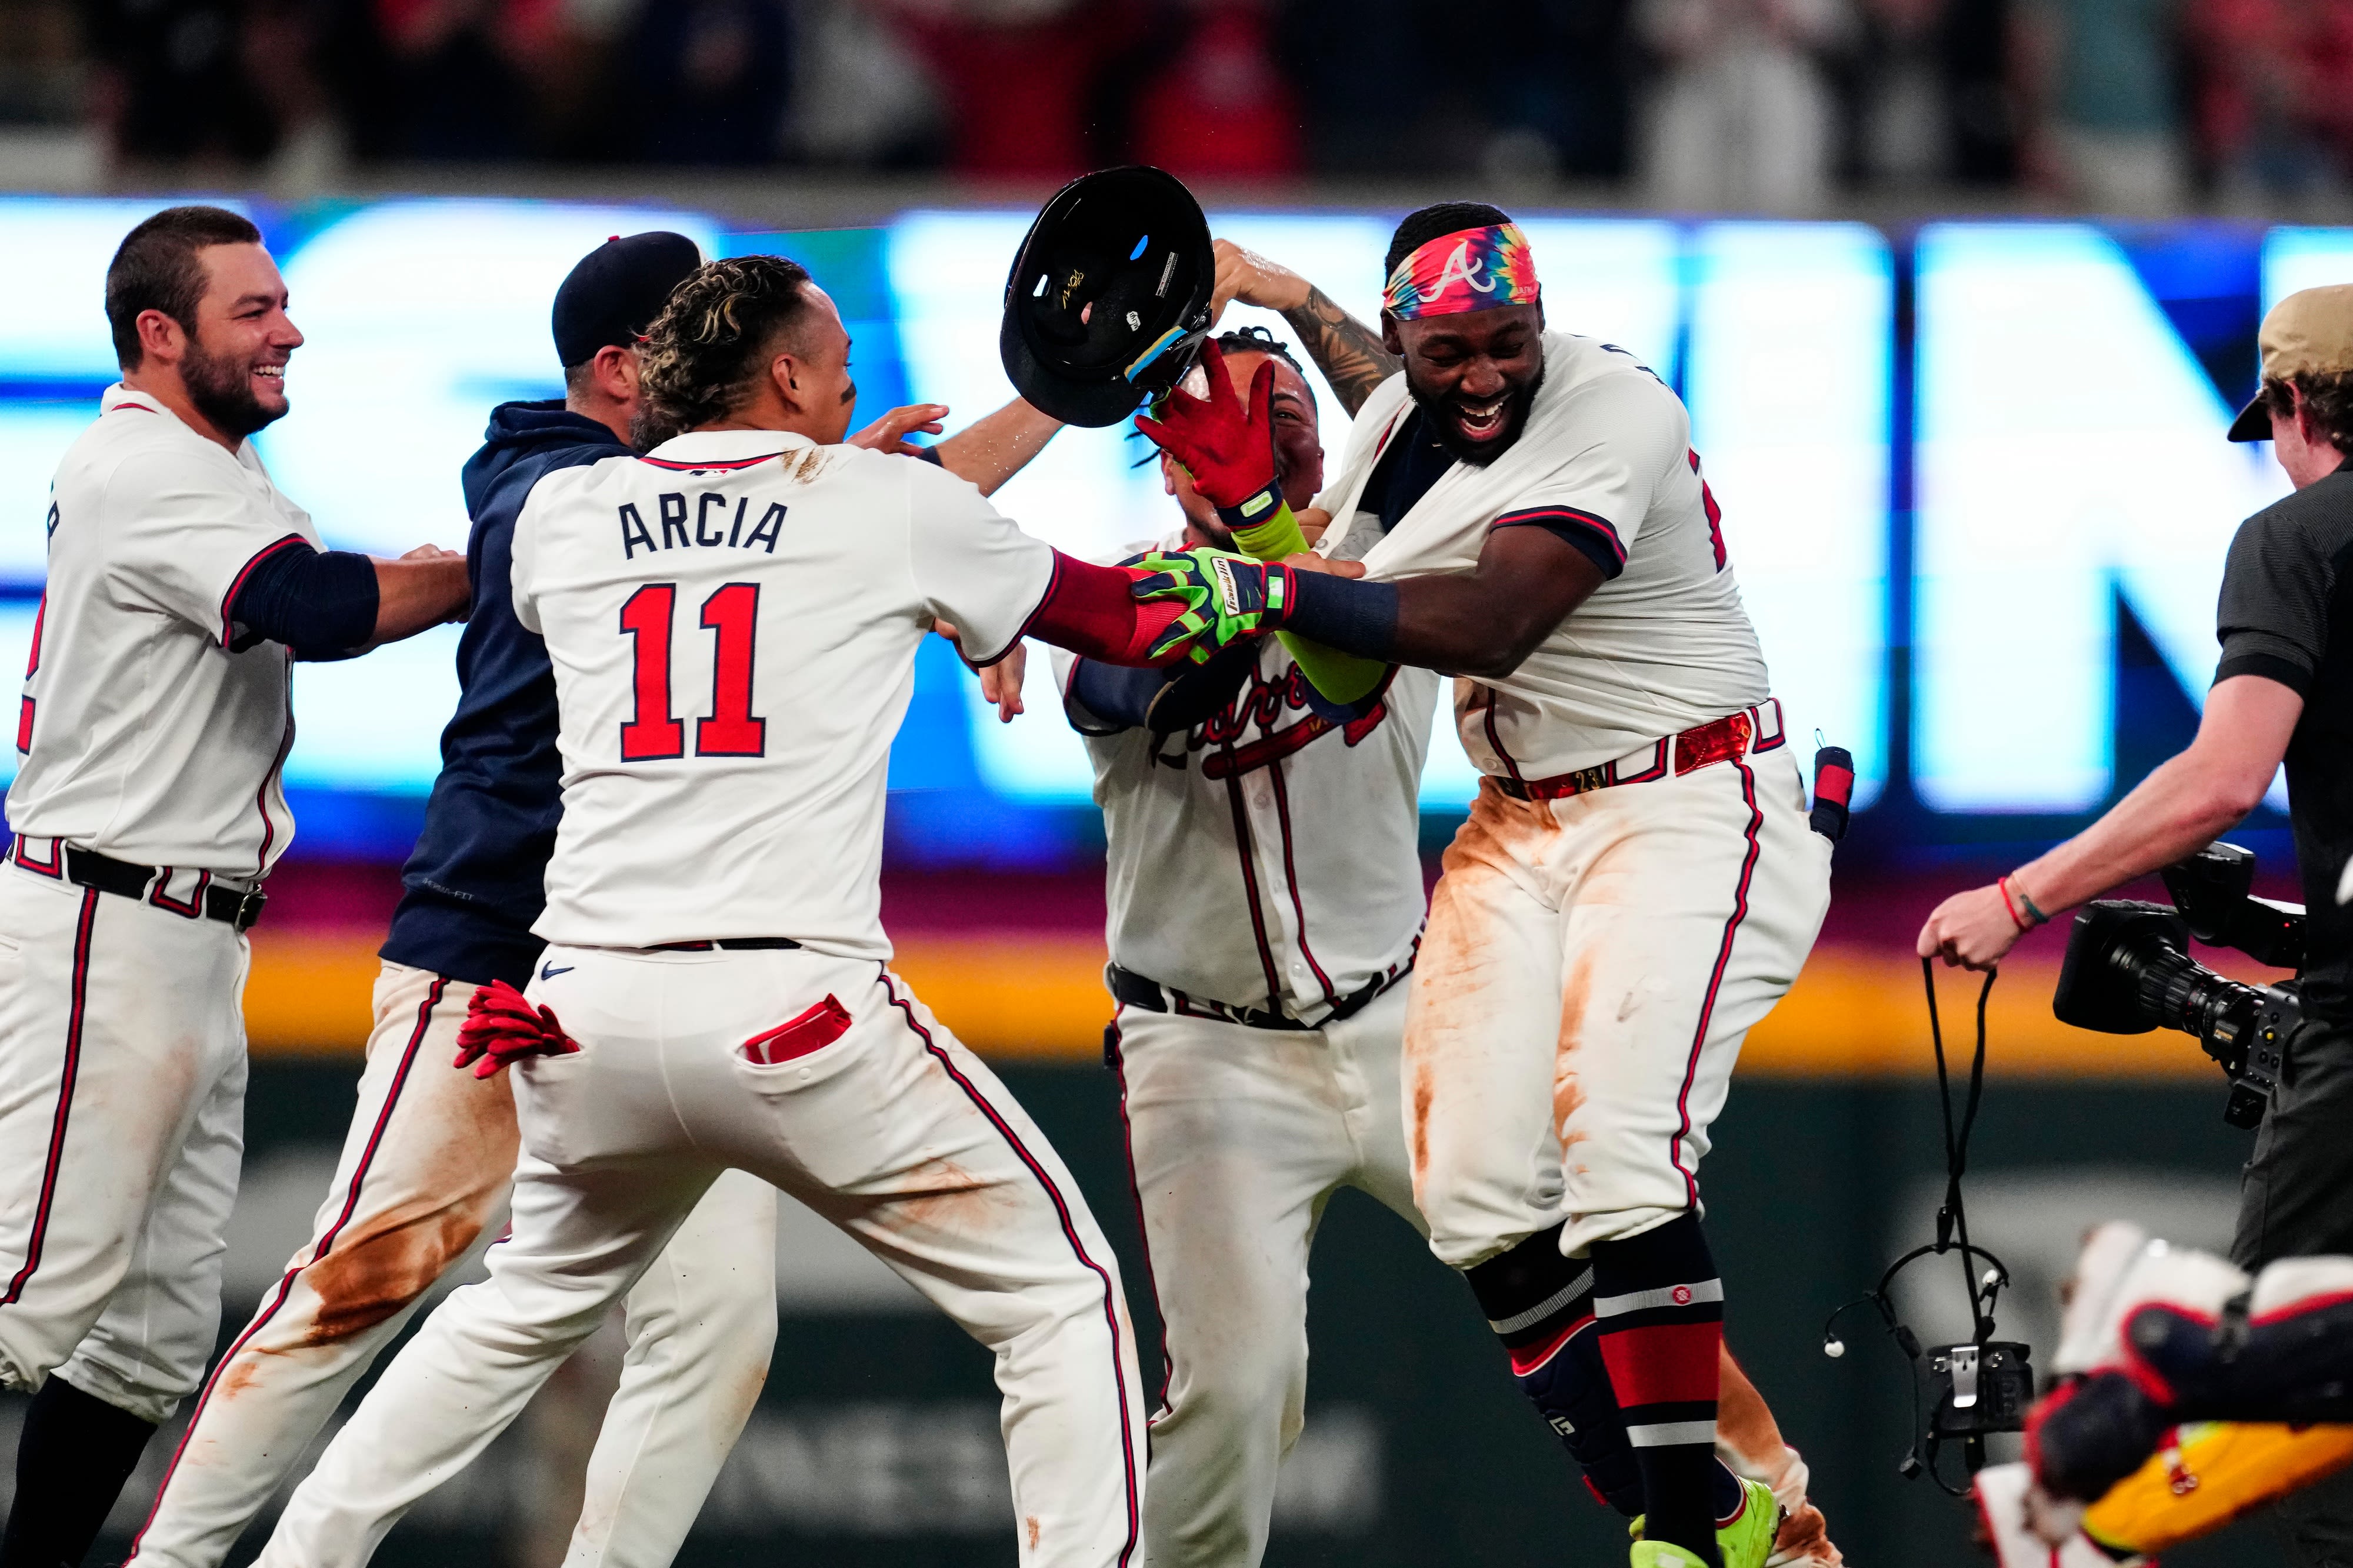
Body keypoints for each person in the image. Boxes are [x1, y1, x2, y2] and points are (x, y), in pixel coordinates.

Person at [247, 252, 1224, 1568]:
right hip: (789, 1011)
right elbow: (1117, 621)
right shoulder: (878, 503)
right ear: (780, 374)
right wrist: (1261, 570)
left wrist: (865, 533)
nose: (849, 387)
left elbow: (711, 569)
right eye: (830, 367)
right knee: (1062, 1301)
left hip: (580, 1011)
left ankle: (297, 1557)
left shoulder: (565, 513)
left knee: (512, 1312)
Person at [1136, 206, 1839, 1568]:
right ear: (1402, 344)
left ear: (1542, 321)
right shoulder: (1395, 424)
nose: (1483, 374)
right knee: (1471, 1198)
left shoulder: (1613, 404)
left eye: (1506, 342)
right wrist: (1272, 526)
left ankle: (1687, 1545)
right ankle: (1717, 1517)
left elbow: (1493, 614)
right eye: (1448, 349)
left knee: (1625, 1154)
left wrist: (1258, 583)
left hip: (1681, 798)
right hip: (1518, 820)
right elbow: (1349, 661)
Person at [0, 204, 471, 1567]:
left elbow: (327, 589)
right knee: (24, 1300)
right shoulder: (143, 462)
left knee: (144, 1346)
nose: (291, 328)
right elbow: (321, 613)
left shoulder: (214, 471)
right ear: (161, 334)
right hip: (105, 916)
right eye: (252, 310)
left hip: (185, 931)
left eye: (282, 303)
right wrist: (491, 560)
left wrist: (460, 565)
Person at [1919, 283, 2353, 1566]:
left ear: (2288, 406)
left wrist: (2018, 896)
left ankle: (2097, 1465)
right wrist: (2285, 930)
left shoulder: (2296, 539)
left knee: (2288, 1380)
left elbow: (2222, 777)